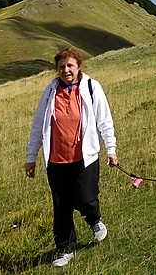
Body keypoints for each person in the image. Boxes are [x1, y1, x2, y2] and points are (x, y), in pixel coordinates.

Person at [25, 47, 118, 268]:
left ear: (78, 66)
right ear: (56, 69)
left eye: (70, 66)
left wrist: (111, 149)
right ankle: (65, 248)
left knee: (85, 198)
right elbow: (38, 125)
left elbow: (105, 121)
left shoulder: (91, 88)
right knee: (61, 205)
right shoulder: (50, 92)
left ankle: (94, 220)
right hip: (56, 160)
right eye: (61, 67)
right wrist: (31, 157)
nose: (65, 70)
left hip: (84, 157)